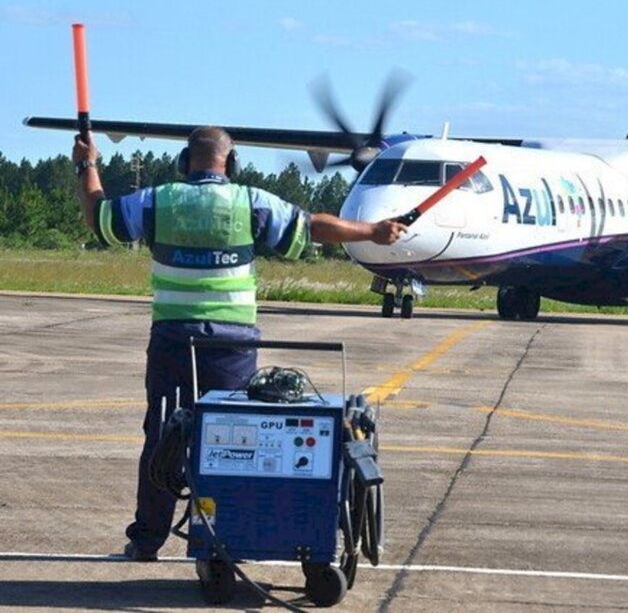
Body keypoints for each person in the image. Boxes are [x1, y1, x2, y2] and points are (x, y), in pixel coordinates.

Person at [72, 126, 405, 561]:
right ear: (231, 164)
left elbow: (101, 219)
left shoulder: (158, 199)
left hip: (174, 339)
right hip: (231, 345)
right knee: (232, 440)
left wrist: (87, 165)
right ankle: (229, 536)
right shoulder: (252, 202)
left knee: (163, 436)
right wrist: (372, 231)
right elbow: (314, 227)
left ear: (183, 163)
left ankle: (147, 539)